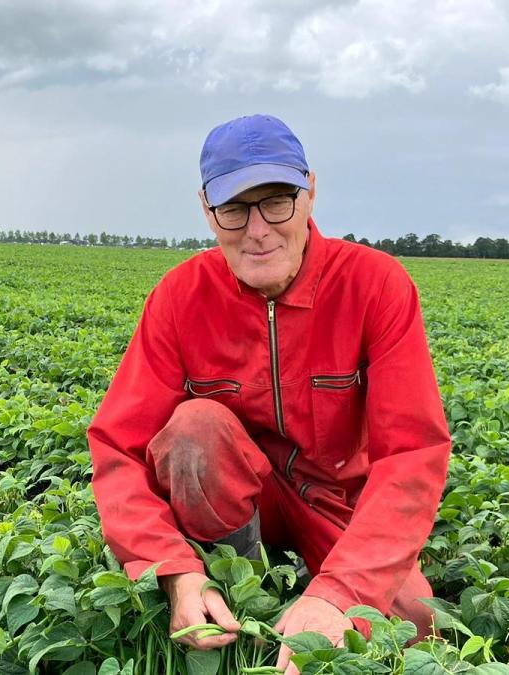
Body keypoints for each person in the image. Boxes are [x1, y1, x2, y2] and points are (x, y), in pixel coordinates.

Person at [87, 114, 452, 673]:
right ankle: (238, 586)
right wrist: (171, 569)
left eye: (276, 200)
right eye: (234, 208)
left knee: (409, 624)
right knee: (196, 428)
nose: (257, 230)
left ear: (309, 192)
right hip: (240, 495)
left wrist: (341, 592)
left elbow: (412, 454)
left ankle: (315, 588)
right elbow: (118, 446)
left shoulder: (375, 285)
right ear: (208, 212)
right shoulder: (181, 296)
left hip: (336, 502)